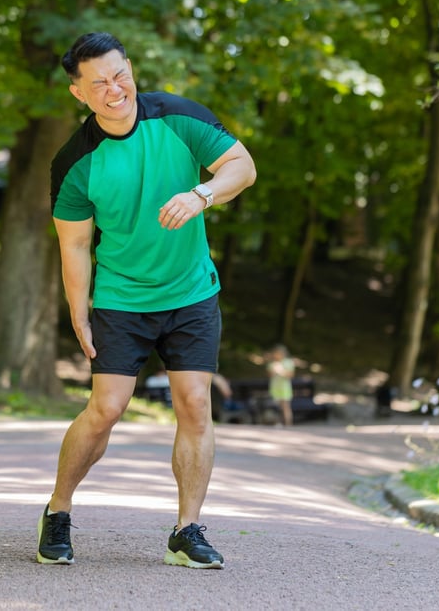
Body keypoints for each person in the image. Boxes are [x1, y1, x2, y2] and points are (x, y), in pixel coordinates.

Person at [40, 32, 257, 569]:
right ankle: (58, 511)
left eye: (120, 75)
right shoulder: (76, 162)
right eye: (99, 84)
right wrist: (78, 311)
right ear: (79, 94)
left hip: (191, 292)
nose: (115, 90)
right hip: (121, 298)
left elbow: (243, 167)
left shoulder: (179, 118)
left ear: (130, 68)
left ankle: (187, 530)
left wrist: (201, 193)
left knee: (195, 407)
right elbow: (74, 245)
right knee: (106, 409)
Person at [266, 344, 295, 426]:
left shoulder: (288, 362)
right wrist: (274, 371)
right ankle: (278, 423)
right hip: (275, 387)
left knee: (286, 406)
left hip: (285, 388)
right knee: (275, 407)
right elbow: (269, 375)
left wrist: (281, 371)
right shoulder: (272, 363)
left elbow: (290, 375)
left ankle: (288, 424)